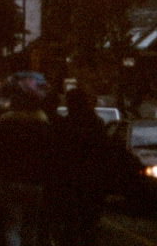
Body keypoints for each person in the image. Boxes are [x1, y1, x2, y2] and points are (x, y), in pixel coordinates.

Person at [0, 81, 52, 246]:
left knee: (12, 225)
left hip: (9, 178)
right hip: (35, 181)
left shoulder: (5, 122)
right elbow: (49, 153)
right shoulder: (43, 123)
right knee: (31, 226)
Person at [49, 88, 109, 246]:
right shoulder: (96, 124)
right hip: (91, 181)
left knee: (71, 226)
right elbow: (104, 152)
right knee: (88, 225)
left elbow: (57, 154)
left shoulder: (65, 125)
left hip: (70, 181)